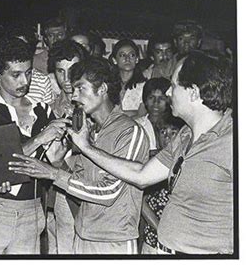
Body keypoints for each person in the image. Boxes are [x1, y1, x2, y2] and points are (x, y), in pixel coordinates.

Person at [51, 51, 233, 255]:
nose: (168, 94)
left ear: (193, 92)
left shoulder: (231, 141)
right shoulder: (184, 136)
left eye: (173, 86)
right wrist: (84, 147)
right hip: (167, 251)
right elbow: (141, 176)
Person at [9, 57, 149, 254]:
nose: (74, 96)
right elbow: (81, 181)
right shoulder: (89, 131)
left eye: (80, 88)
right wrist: (56, 160)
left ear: (102, 89)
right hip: (83, 235)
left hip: (114, 240)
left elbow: (109, 191)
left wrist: (52, 173)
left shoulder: (129, 131)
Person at [0, 36, 69, 254]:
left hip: (32, 209)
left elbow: (56, 163)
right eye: (16, 75)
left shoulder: (43, 110)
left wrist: (61, 144)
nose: (24, 81)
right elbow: (0, 165)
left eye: (29, 72)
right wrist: (41, 138)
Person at [46, 40, 86, 254]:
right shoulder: (49, 108)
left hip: (90, 185)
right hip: (61, 187)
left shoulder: (96, 105)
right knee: (60, 247)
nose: (67, 78)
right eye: (60, 71)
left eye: (73, 70)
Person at [141, 113, 185, 254]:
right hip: (153, 240)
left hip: (181, 241)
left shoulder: (185, 162)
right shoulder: (151, 163)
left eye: (173, 132)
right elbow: (141, 203)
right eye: (163, 132)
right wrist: (159, 228)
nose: (167, 137)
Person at [110, 38, 146, 116]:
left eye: (132, 55)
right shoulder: (108, 85)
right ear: (114, 60)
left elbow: (142, 115)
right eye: (122, 55)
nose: (127, 58)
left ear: (137, 59)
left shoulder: (144, 86)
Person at [136, 77, 171, 152]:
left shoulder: (177, 127)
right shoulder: (137, 126)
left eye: (161, 98)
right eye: (151, 97)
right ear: (145, 100)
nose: (156, 102)